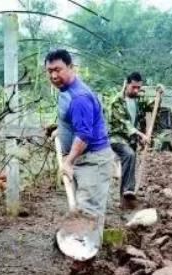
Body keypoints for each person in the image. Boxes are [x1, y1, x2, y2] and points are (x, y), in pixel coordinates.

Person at [44, 49, 114, 225]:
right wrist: (60, 131)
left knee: (88, 212)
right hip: (81, 158)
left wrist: (67, 162)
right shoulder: (65, 90)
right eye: (49, 71)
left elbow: (83, 135)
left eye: (58, 69)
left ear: (70, 67)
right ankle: (80, 247)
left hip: (93, 161)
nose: (53, 75)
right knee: (81, 209)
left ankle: (89, 250)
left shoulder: (79, 97)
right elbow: (70, 121)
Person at [107, 72, 162, 209]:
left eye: (139, 87)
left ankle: (125, 201)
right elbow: (125, 124)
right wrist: (141, 135)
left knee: (129, 166)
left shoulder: (138, 100)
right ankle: (129, 190)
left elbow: (152, 106)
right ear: (126, 84)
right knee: (129, 155)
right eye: (133, 87)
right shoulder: (117, 101)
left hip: (130, 140)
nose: (136, 90)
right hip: (116, 137)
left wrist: (159, 95)